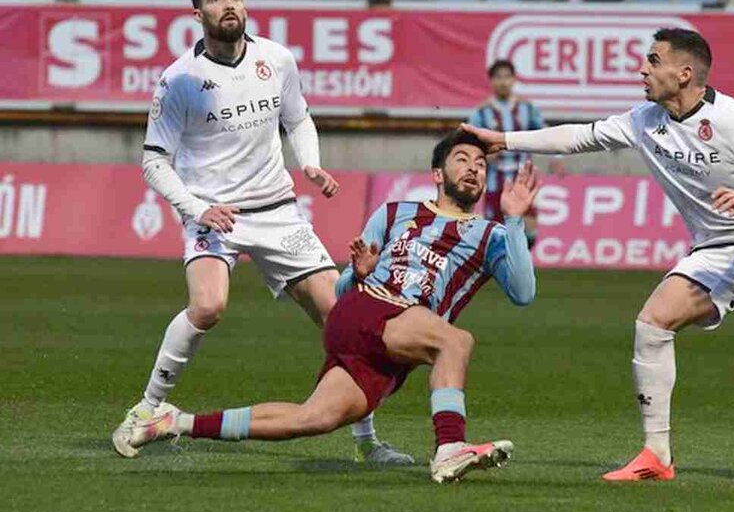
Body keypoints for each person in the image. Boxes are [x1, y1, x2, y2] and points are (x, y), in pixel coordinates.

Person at [462, 27, 734, 488]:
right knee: (652, 323)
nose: (642, 69)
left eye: (652, 60)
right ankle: (656, 454)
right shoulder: (644, 120)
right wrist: (503, 140)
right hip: (712, 250)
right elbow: (579, 136)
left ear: (684, 73)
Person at [111, 0, 412, 468]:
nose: (228, 4)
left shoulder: (277, 59)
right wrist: (197, 208)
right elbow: (153, 160)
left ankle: (367, 440)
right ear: (198, 14)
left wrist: (310, 162)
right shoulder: (179, 80)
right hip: (214, 215)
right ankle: (147, 408)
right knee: (207, 307)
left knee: (342, 320)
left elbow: (297, 118)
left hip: (278, 212)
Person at [126, 130, 539, 485]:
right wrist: (359, 272)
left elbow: (523, 293)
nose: (472, 168)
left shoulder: (491, 235)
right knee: (456, 341)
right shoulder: (395, 212)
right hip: (370, 308)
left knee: (314, 418)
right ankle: (450, 446)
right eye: (461, 159)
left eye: (480, 164)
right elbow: (342, 287)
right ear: (437, 175)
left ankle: (173, 421)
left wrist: (515, 221)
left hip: (394, 346)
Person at [467, 60, 563, 246]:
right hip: (495, 179)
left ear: (513, 80)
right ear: (491, 81)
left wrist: (556, 156)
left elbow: (544, 132)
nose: (503, 82)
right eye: (498, 78)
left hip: (522, 177)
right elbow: (468, 141)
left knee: (529, 231)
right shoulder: (482, 111)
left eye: (506, 77)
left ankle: (520, 266)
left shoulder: (527, 108)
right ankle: (502, 268)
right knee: (494, 232)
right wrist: (482, 153)